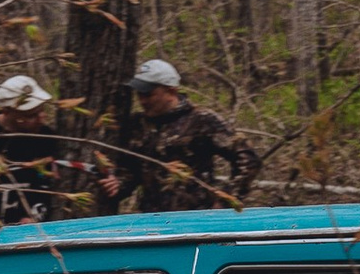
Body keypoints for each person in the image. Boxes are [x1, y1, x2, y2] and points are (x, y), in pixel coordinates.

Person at [98, 58, 255, 215]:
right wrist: (118, 185)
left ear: (171, 91)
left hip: (197, 218)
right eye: (139, 94)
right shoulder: (137, 124)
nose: (142, 100)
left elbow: (248, 160)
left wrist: (226, 200)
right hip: (151, 220)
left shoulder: (201, 120)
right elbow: (130, 171)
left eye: (148, 94)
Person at [0, 73, 75, 226]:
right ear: (7, 112)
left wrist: (34, 216)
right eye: (31, 115)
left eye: (42, 110)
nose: (41, 117)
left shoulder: (47, 139)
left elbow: (49, 185)